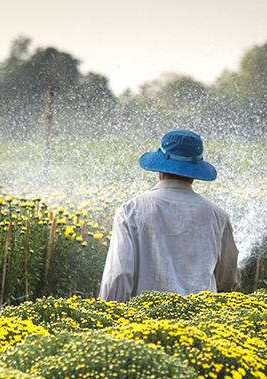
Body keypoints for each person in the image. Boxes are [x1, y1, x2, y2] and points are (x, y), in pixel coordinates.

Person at [99, 129, 240, 302]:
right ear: (195, 172)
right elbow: (227, 278)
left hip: (142, 322)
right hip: (202, 322)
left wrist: (111, 316)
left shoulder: (131, 211)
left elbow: (118, 275)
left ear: (160, 169)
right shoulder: (218, 217)